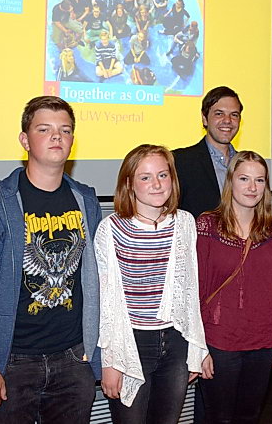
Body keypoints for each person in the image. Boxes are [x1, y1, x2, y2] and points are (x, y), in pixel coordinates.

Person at [0, 96, 102, 423]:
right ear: (25, 140)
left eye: (65, 130)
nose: (57, 136)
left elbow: (98, 282)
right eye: (44, 129)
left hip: (73, 359)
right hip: (11, 363)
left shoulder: (87, 201)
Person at [95, 144, 208, 422]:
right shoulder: (111, 229)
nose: (156, 184)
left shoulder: (185, 223)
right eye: (145, 177)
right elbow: (105, 302)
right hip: (131, 344)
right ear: (129, 184)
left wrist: (197, 350)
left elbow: (191, 292)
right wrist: (110, 361)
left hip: (176, 344)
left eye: (162, 175)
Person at [197, 151, 272, 424]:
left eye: (259, 180)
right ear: (231, 181)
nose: (252, 187)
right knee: (219, 418)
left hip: (262, 340)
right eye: (244, 179)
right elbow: (196, 290)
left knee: (249, 416)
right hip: (219, 340)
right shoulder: (207, 225)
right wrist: (198, 347)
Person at [173, 86, 242, 217]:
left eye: (234, 115)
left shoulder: (248, 165)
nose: (227, 120)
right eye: (219, 114)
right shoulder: (180, 162)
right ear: (204, 118)